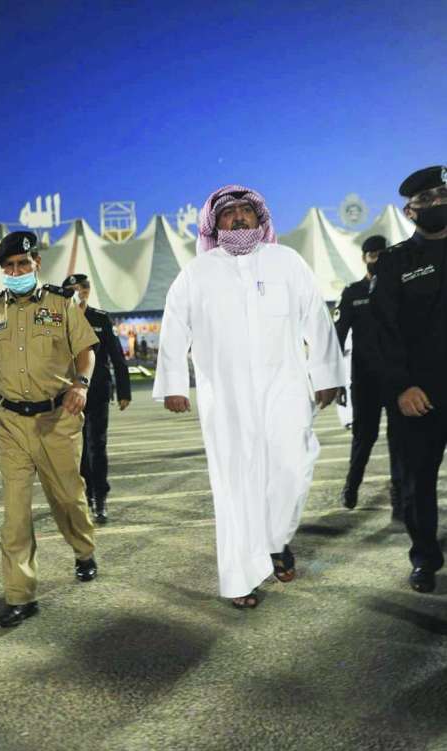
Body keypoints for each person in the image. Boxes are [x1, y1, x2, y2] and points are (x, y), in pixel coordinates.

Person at [153, 184, 344, 609]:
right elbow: (174, 327)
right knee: (234, 484)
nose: (238, 217)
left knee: (293, 469)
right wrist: (173, 385)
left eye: (246, 211)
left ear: (261, 219)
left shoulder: (287, 262)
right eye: (228, 213)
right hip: (226, 396)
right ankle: (240, 576)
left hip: (286, 388)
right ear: (214, 224)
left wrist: (326, 374)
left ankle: (275, 542)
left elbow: (316, 319)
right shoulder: (197, 273)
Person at [0, 232, 99, 629]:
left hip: (56, 421)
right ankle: (20, 596)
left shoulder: (61, 305)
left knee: (68, 499)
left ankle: (83, 549)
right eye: (9, 267)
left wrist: (81, 385)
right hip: (11, 424)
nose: (16, 272)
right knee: (15, 515)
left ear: (36, 264)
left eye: (22, 264)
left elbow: (86, 352)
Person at [370, 165, 447, 593]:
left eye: (443, 194)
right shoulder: (395, 262)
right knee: (418, 484)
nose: (438, 203)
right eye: (427, 199)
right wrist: (401, 386)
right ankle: (425, 559)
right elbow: (382, 332)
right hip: (420, 395)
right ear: (410, 211)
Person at [334, 236, 404, 519]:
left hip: (398, 380)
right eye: (373, 254)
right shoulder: (353, 293)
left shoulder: (400, 289)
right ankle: (352, 486)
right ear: (364, 258)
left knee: (400, 441)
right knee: (364, 437)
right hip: (365, 381)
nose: (378, 259)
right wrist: (334, 380)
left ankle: (400, 499)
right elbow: (337, 337)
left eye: (382, 254)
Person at [61, 274, 131, 523]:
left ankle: (99, 498)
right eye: (71, 289)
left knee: (96, 446)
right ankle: (82, 496)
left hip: (98, 392)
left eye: (81, 288)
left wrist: (124, 390)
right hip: (68, 394)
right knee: (74, 449)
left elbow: (116, 355)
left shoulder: (100, 318)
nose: (77, 293)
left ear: (87, 291)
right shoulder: (57, 321)